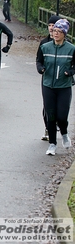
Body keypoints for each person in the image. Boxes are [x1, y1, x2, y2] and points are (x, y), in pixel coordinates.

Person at [36, 19, 75, 155]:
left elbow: (74, 66)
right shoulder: (45, 47)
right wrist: (40, 68)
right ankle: (52, 144)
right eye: (54, 31)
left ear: (64, 34)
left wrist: (70, 72)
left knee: (62, 116)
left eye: (59, 31)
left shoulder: (71, 49)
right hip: (48, 85)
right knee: (50, 116)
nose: (55, 33)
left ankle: (64, 133)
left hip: (64, 86)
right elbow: (39, 61)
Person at [36, 15, 61, 141]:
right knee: (47, 105)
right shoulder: (44, 43)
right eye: (50, 25)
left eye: (54, 26)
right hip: (47, 79)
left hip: (62, 81)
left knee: (59, 106)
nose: (51, 28)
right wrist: (40, 68)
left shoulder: (67, 45)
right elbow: (38, 60)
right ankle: (48, 128)